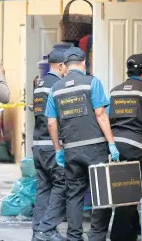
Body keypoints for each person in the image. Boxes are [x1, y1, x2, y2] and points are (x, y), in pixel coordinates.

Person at [45, 47, 120, 241]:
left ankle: (74, 236)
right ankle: (96, 235)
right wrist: (111, 143)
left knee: (74, 195)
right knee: (101, 194)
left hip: (71, 151)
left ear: (65, 66)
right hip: (95, 149)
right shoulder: (91, 82)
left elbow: (51, 122)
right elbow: (100, 113)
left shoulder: (56, 89)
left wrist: (58, 150)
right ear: (83, 63)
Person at [101, 54, 142, 241]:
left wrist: (110, 144)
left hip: (115, 147)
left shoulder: (115, 91)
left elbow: (105, 119)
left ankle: (130, 233)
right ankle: (120, 237)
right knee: (130, 197)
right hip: (136, 147)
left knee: (118, 193)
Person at [32, 48, 67, 241]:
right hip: (51, 143)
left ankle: (38, 230)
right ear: (61, 65)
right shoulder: (57, 85)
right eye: (66, 67)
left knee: (44, 187)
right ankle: (48, 229)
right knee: (61, 184)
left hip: (38, 143)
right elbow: (56, 118)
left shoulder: (40, 84)